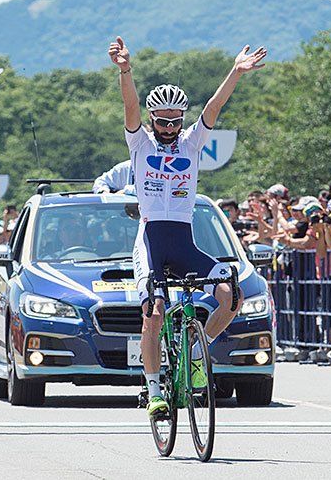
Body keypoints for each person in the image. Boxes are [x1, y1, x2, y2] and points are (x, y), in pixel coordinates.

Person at [109, 35, 264, 418]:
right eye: (162, 121)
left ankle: (196, 351)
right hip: (151, 241)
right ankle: (153, 389)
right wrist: (126, 70)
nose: (168, 127)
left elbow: (214, 106)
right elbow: (129, 104)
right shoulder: (140, 146)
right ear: (151, 120)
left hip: (184, 240)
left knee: (230, 294)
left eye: (175, 121)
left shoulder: (192, 144)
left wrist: (235, 72)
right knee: (155, 312)